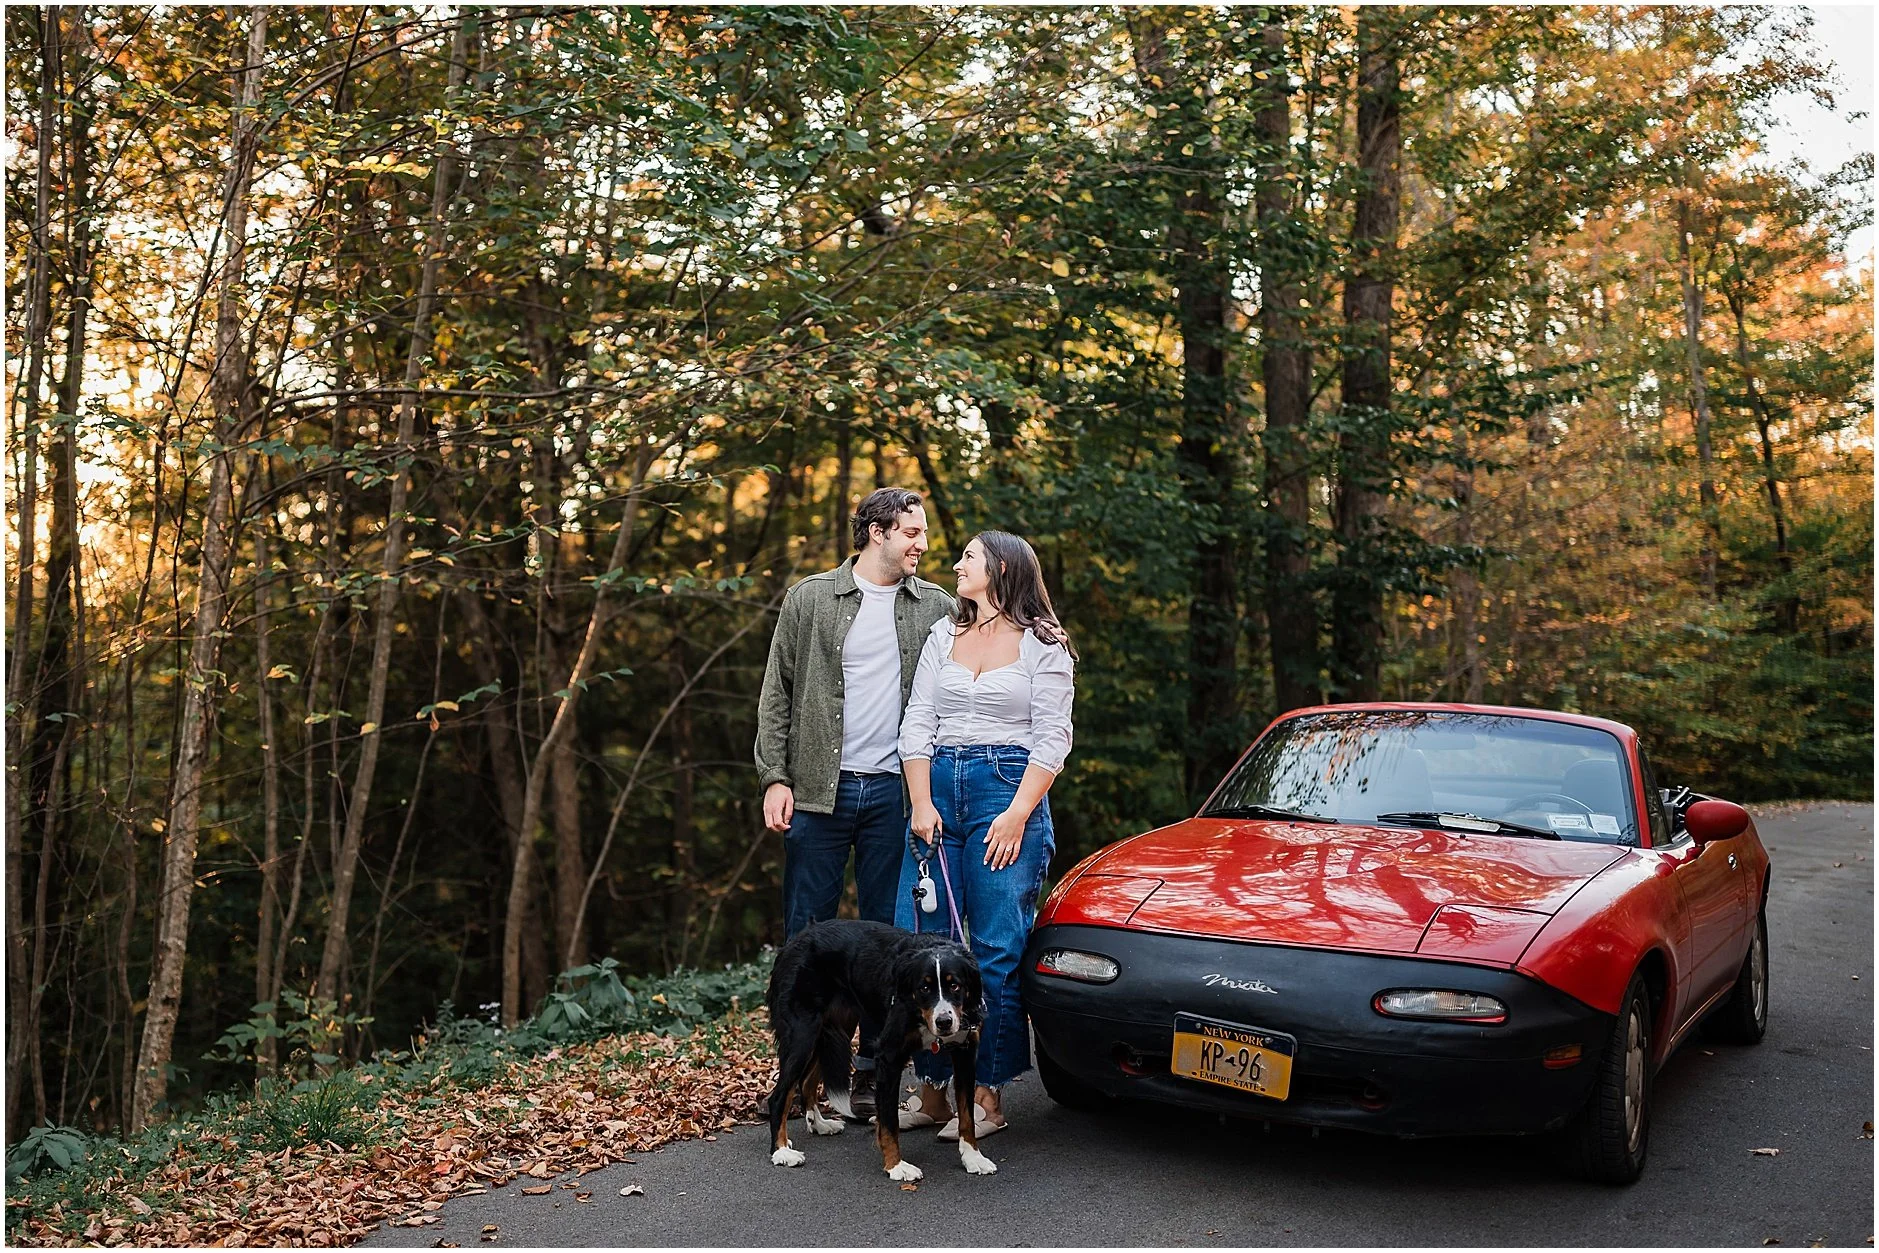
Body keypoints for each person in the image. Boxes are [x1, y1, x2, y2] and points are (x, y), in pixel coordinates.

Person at [754, 487, 956, 1123]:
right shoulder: (811, 599)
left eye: (922, 532)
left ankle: (869, 1080)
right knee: (807, 944)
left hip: (893, 798)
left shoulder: (938, 609)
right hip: (819, 792)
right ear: (876, 532)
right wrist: (774, 777)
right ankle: (804, 1083)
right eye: (911, 532)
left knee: (887, 947)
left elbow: (992, 642)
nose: (922, 544)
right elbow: (776, 693)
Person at [893, 530, 1075, 1139]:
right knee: (923, 940)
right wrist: (920, 800)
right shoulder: (943, 633)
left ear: (1000, 567)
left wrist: (1019, 812)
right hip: (938, 785)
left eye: (967, 556)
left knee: (995, 948)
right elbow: (918, 718)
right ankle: (933, 1092)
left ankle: (989, 1096)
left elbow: (1053, 737)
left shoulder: (1043, 645)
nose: (955, 564)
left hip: (1008, 790)